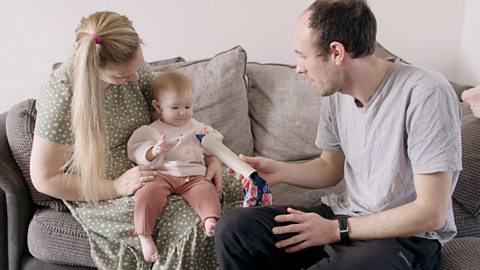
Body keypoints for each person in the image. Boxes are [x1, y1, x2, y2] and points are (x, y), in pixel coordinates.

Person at [215, 1, 461, 269]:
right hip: (342, 215)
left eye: (302, 55)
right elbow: (330, 167)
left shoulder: (426, 92)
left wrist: (338, 230)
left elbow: (431, 213)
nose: (298, 68)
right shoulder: (337, 96)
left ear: (336, 52)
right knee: (235, 229)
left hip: (404, 238)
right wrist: (280, 171)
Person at [30, 11, 236, 269]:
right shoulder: (61, 96)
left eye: (137, 68)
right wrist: (115, 187)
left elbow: (171, 122)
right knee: (193, 226)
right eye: (123, 77)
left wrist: (209, 157)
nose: (136, 79)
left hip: (156, 163)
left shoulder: (133, 67)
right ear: (95, 69)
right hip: (103, 185)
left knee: (231, 189)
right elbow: (45, 179)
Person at [127, 71, 222, 262]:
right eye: (175, 107)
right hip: (162, 174)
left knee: (207, 190)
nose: (183, 112)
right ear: (158, 106)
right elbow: (136, 150)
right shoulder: (153, 129)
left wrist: (208, 139)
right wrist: (153, 151)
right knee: (146, 194)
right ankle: (144, 235)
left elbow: (216, 143)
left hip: (193, 176)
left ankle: (210, 219)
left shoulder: (196, 126)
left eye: (188, 106)